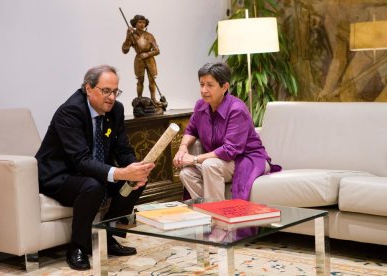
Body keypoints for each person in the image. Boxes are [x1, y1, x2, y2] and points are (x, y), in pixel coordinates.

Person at [35, 65, 155, 271]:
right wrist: (118, 173)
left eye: (115, 91)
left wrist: (135, 169)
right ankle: (78, 247)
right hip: (59, 176)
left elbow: (123, 149)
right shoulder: (70, 112)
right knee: (92, 186)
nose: (111, 97)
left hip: (92, 173)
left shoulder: (116, 110)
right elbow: (80, 160)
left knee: (135, 182)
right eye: (105, 91)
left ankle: (107, 236)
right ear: (88, 89)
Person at [173, 62, 281, 201]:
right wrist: (182, 149)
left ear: (224, 87)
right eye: (201, 84)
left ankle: (219, 217)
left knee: (210, 165)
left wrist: (194, 159)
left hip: (247, 159)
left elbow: (230, 150)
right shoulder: (201, 105)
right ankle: (209, 211)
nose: (204, 90)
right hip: (219, 161)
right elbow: (191, 129)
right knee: (187, 173)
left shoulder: (236, 109)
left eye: (210, 85)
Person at [122, 14, 162, 107]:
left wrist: (147, 54)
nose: (142, 24)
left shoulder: (149, 36)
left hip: (150, 59)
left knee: (152, 80)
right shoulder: (132, 35)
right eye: (139, 22)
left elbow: (157, 50)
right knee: (140, 80)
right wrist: (128, 36)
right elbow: (125, 50)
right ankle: (139, 99)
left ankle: (153, 99)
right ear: (135, 23)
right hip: (139, 60)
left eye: (143, 22)